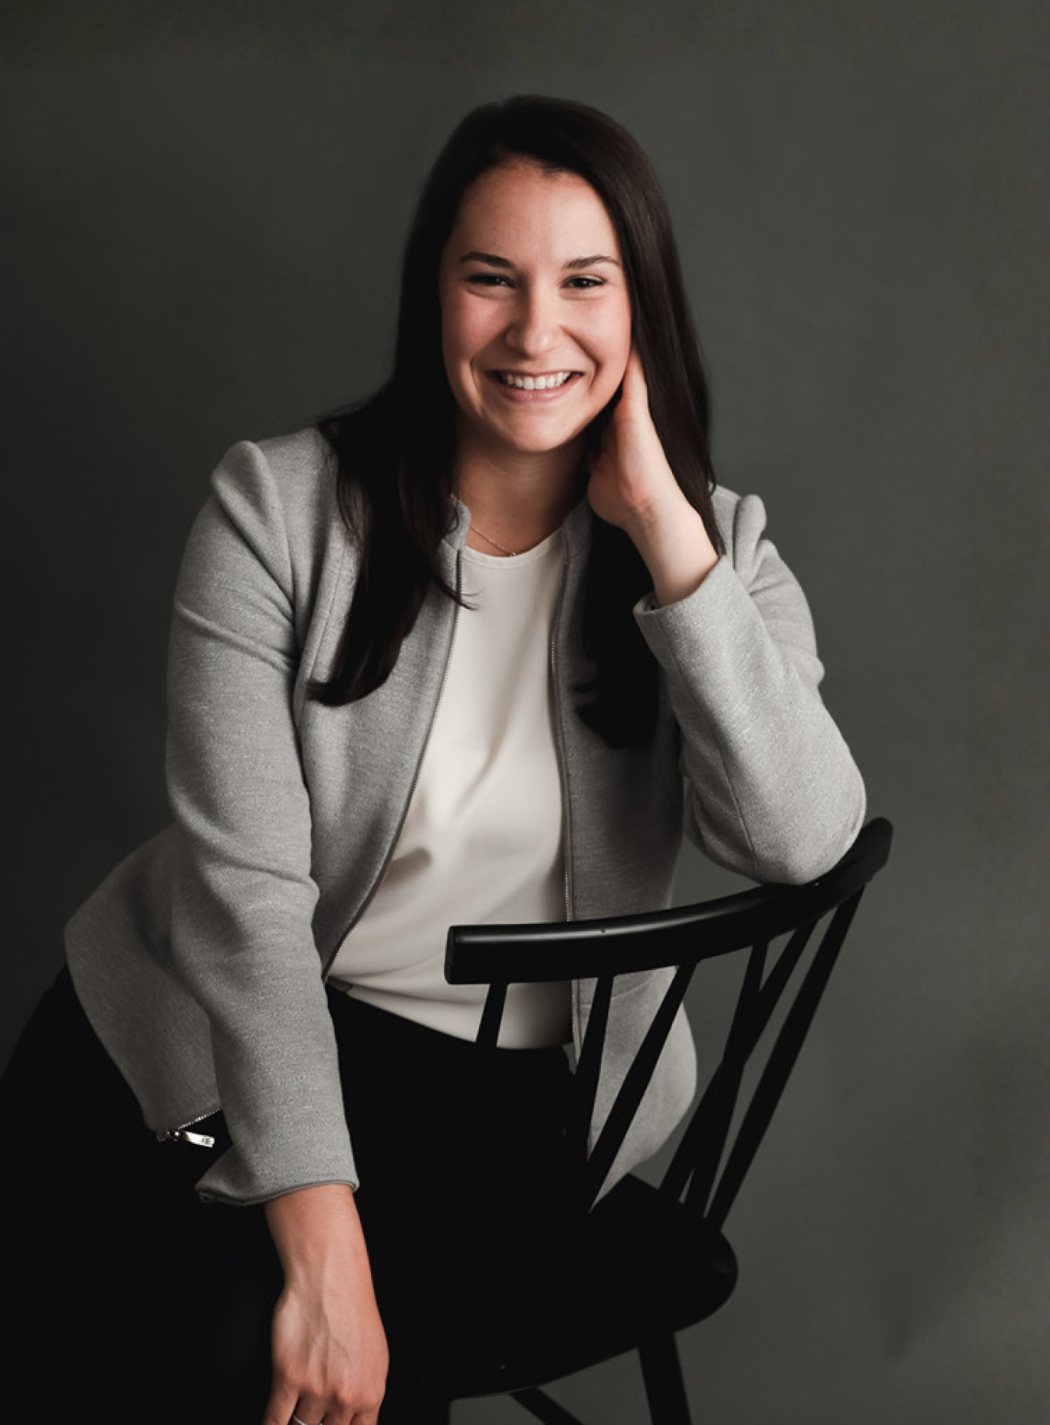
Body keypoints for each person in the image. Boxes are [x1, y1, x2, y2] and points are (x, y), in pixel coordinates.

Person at [0, 95, 865, 1424]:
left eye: (585, 282)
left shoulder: (718, 553)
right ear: (433, 302)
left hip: (505, 1106)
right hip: (212, 1029)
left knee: (320, 1377)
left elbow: (801, 836)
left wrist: (661, 536)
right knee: (179, 1351)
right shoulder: (277, 511)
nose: (534, 330)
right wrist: (322, 1239)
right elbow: (246, 909)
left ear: (644, 312)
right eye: (488, 280)